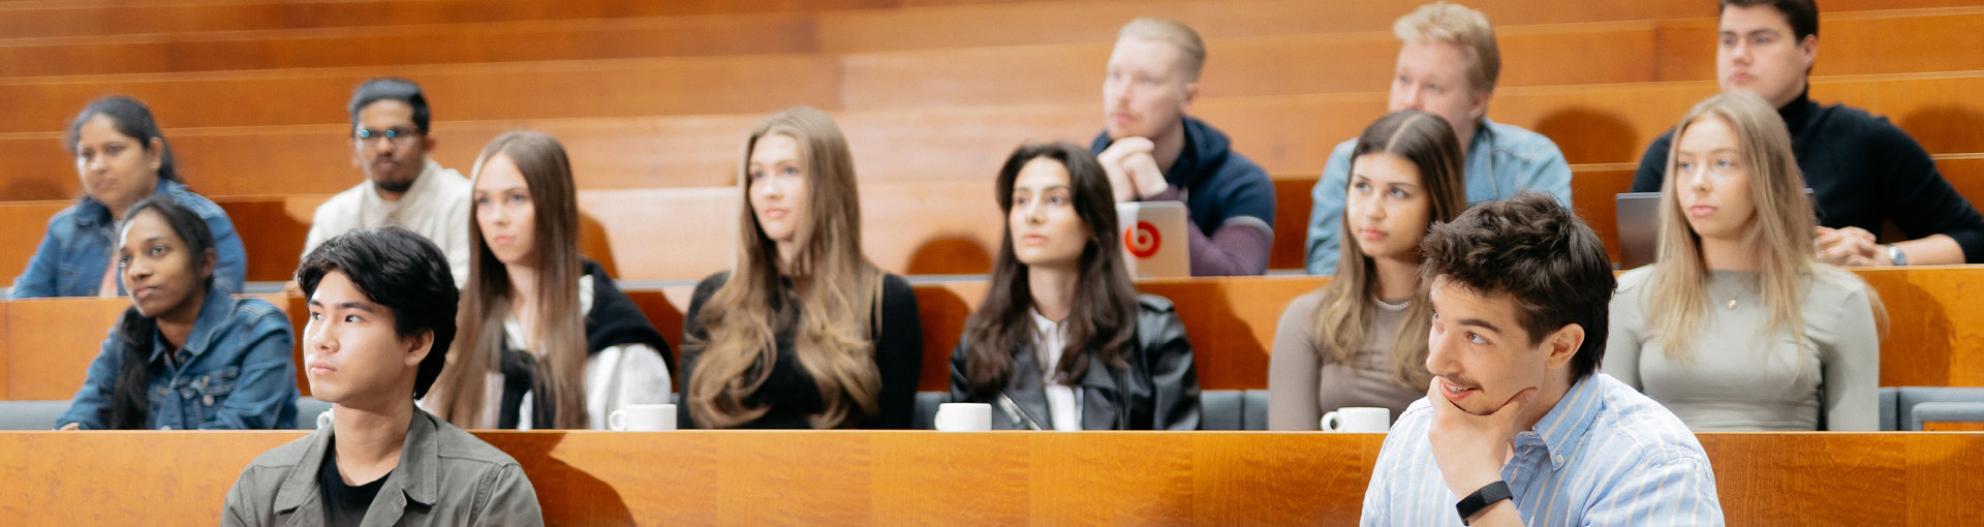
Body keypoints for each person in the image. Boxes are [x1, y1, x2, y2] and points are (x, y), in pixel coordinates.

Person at [1360, 194, 1723, 526]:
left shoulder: (1654, 466)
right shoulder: (1416, 429)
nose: (1436, 362)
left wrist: (1480, 494)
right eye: (1439, 320)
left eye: (1476, 337)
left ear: (1560, 347)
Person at [222, 227, 542, 526]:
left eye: (351, 318)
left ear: (416, 343)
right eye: (316, 315)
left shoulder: (487, 490)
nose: (322, 338)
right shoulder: (261, 487)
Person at [1630, 0, 1984, 266]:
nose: (1739, 55)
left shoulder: (1865, 140)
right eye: (1728, 40)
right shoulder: (1675, 153)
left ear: (1807, 50)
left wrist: (1886, 256)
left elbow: (1974, 237)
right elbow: (1637, 267)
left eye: (1760, 40)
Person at [1607, 92, 1881, 431]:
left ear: (1768, 177)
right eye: (1685, 164)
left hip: (1793, 482)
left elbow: (1860, 460)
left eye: (1722, 163)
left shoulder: (1841, 299)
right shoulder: (1629, 295)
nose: (1698, 183)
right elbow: (1612, 444)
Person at [679, 107, 923, 429]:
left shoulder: (884, 301)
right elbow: (688, 433)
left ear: (829, 183)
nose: (769, 191)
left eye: (789, 171)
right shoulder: (715, 298)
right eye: (758, 175)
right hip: (727, 477)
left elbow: (893, 445)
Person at [424, 131, 672, 430]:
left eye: (516, 198)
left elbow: (646, 460)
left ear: (556, 204)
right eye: (484, 201)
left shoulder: (618, 338)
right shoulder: (458, 323)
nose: (497, 217)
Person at [950, 142, 1201, 431]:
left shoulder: (1152, 333)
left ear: (1093, 222)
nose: (1032, 215)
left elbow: (1180, 464)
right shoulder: (979, 344)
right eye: (1020, 200)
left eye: (1055, 200)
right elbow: (963, 465)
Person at [1306, 2, 1571, 275]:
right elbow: (1326, 272)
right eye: (1404, 79)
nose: (1410, 100)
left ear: (1476, 102)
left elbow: (1546, 275)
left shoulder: (1531, 162)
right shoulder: (1349, 160)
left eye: (1432, 87)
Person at [1268, 111, 1466, 430]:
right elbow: (1289, 460)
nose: (1372, 210)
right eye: (1361, 186)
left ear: (1436, 200)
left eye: (1397, 192)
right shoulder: (1306, 316)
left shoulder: (1469, 319)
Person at [56, 197, 296, 430]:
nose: (136, 271)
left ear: (205, 263)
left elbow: (233, 435)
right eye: (126, 259)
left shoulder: (259, 329)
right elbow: (83, 413)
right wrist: (74, 436)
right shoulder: (128, 333)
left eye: (157, 250)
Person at [1089, 17, 1276, 276]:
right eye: (1115, 75)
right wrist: (1098, 201)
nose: (1121, 94)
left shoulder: (1242, 182)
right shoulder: (1075, 173)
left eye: (1147, 80)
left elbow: (1236, 283)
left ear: (1187, 97)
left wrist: (1156, 194)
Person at [13, 95, 247, 298]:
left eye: (114, 150)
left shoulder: (202, 219)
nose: (98, 165)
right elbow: (24, 304)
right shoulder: (66, 228)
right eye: (86, 154)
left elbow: (219, 308)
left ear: (153, 154)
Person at [303, 78, 473, 285]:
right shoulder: (334, 214)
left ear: (428, 143)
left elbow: (466, 290)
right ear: (352, 150)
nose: (384, 147)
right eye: (369, 134)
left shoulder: (462, 201)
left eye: (398, 133)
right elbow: (311, 287)